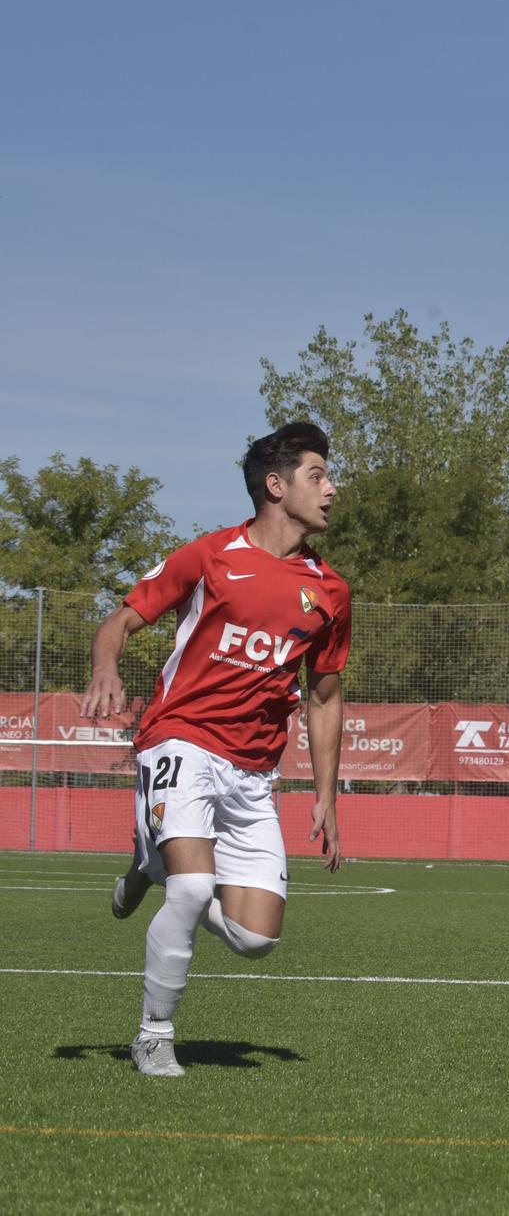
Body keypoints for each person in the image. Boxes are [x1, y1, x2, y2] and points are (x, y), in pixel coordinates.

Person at [82, 423, 351, 1077]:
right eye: (319, 474)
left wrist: (325, 794)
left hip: (253, 772)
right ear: (276, 484)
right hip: (180, 738)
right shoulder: (208, 556)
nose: (332, 488)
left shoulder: (332, 592)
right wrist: (104, 667)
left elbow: (324, 696)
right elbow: (121, 619)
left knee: (256, 937)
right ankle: (153, 1033)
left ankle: (150, 868)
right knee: (196, 884)